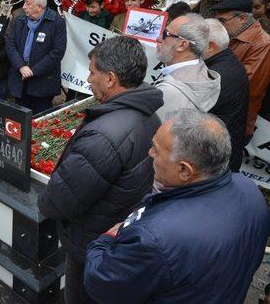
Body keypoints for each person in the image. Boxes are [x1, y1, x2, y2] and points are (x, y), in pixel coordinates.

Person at [84, 110, 270, 304]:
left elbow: (102, 285)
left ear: (184, 170)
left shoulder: (154, 238)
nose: (150, 153)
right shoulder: (250, 192)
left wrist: (107, 239)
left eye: (156, 149)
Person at [38, 36, 162, 304]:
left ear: (110, 78)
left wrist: (43, 201)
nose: (89, 78)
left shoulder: (104, 136)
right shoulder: (149, 113)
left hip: (91, 244)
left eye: (93, 72)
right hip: (116, 234)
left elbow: (60, 201)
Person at [212, 0, 270, 140]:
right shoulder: (233, 35)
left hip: (231, 122)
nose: (219, 25)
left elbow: (247, 85)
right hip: (218, 117)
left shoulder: (263, 44)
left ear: (243, 18)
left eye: (222, 21)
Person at [6, 0, 67, 114]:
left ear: (39, 6)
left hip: (43, 82)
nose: (23, 7)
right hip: (20, 79)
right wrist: (21, 66)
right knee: (21, 119)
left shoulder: (56, 22)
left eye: (28, 3)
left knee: (40, 120)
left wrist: (33, 71)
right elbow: (10, 45)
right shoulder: (19, 20)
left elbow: (57, 53)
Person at [154, 14, 220, 120]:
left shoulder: (169, 92)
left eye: (165, 34)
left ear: (182, 45)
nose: (158, 38)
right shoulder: (204, 74)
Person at [204, 19, 249, 172]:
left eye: (193, 42)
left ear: (210, 46)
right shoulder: (227, 61)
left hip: (215, 159)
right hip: (222, 152)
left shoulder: (217, 75)